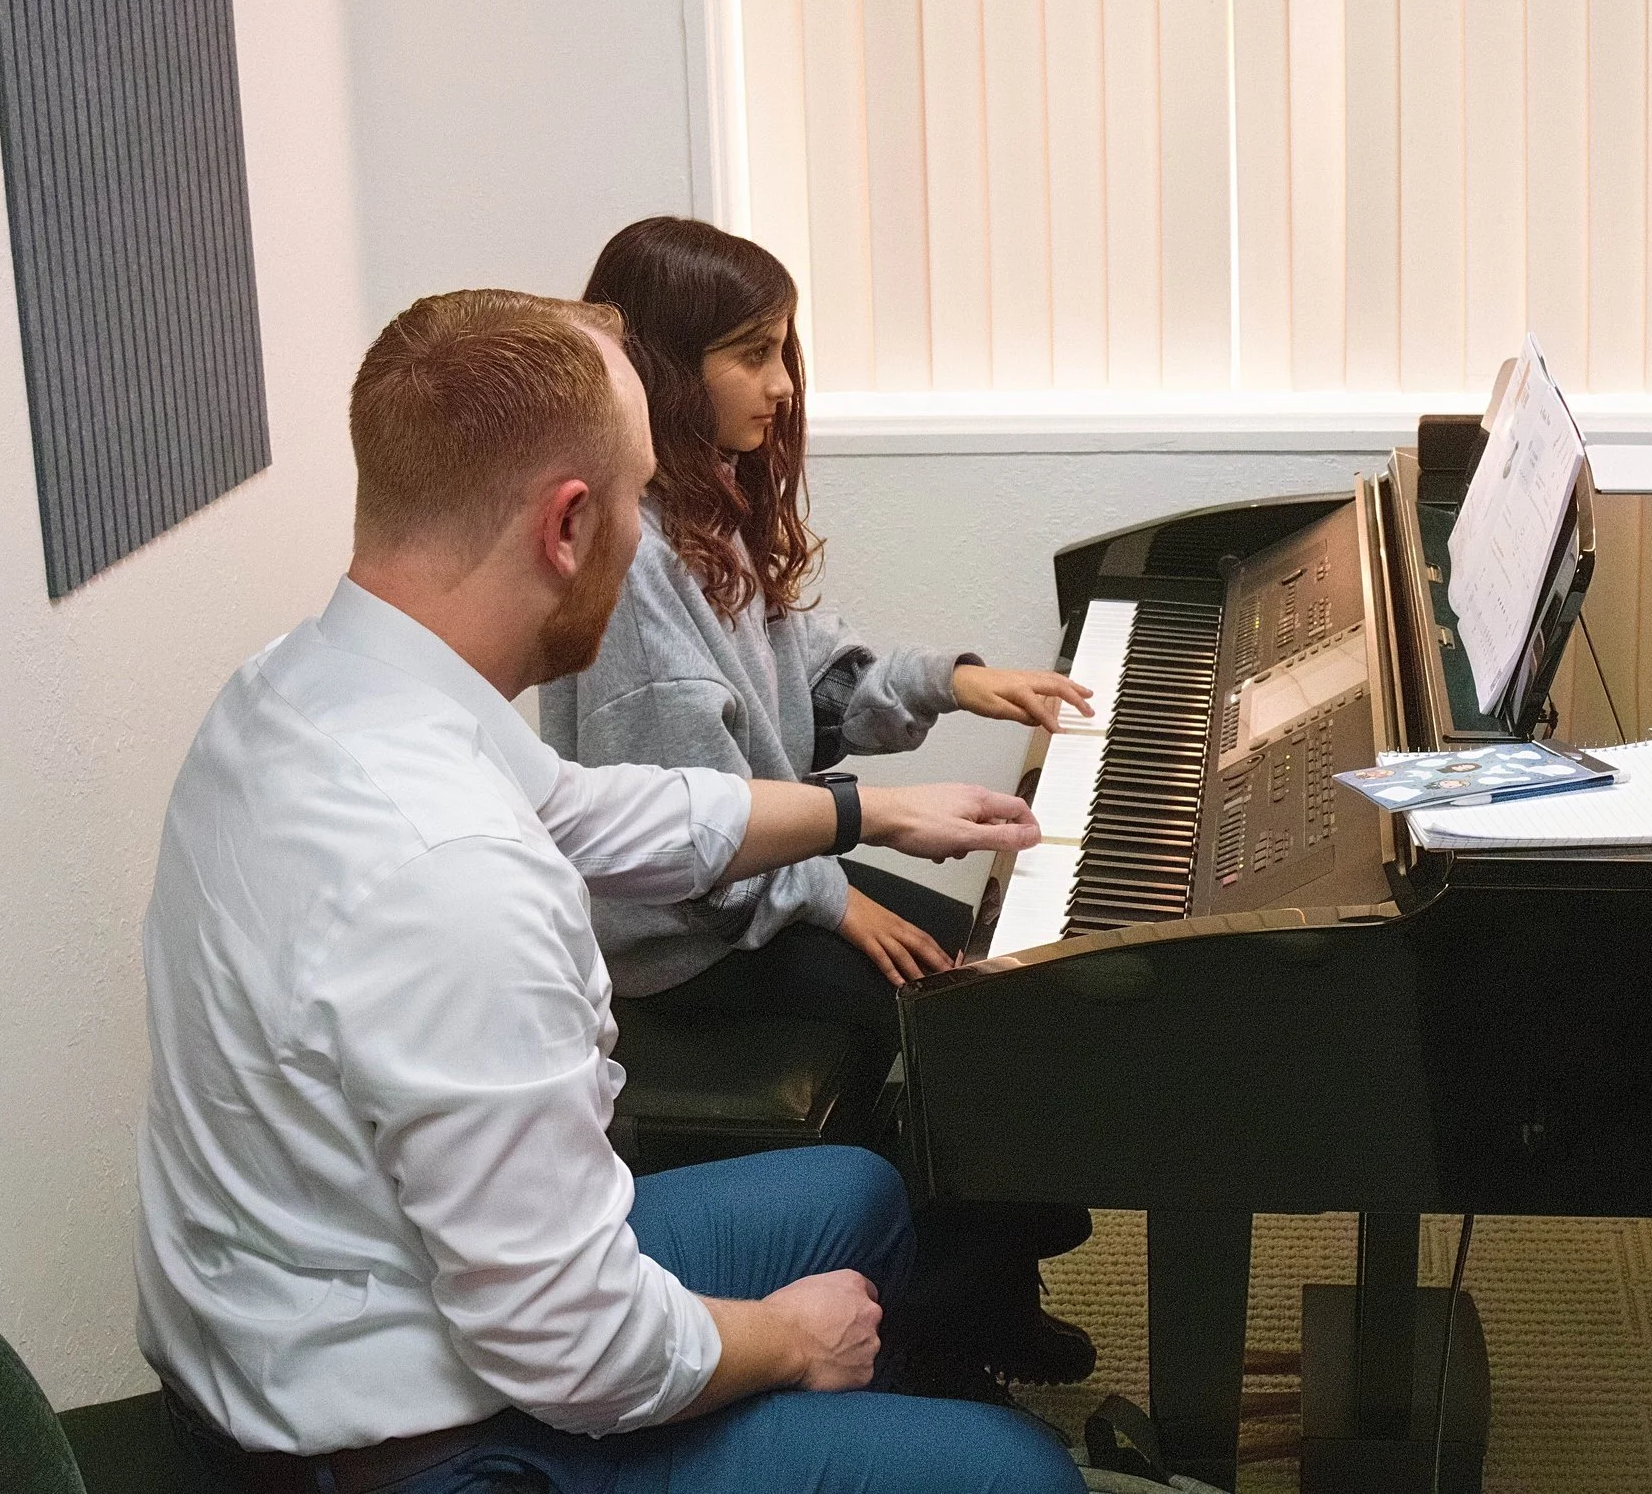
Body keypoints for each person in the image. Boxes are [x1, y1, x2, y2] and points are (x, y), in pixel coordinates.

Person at [134, 288, 1082, 1494]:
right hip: (414, 1448)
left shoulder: (303, 685)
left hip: (343, 1299)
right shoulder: (455, 880)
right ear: (569, 525)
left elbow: (593, 808)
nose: (654, 534)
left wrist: (866, 809)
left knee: (858, 1191)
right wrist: (790, 1338)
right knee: (1021, 1475)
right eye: (640, 494)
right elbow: (578, 1349)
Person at [542, 216, 1095, 1395]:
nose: (781, 387)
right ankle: (941, 1321)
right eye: (753, 355)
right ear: (661, 368)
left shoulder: (714, 506)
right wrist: (833, 899)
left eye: (786, 352)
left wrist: (957, 680)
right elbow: (691, 827)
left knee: (1002, 971)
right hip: (684, 939)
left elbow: (820, 687)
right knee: (973, 1013)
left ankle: (991, 1280)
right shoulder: (636, 567)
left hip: (763, 875)